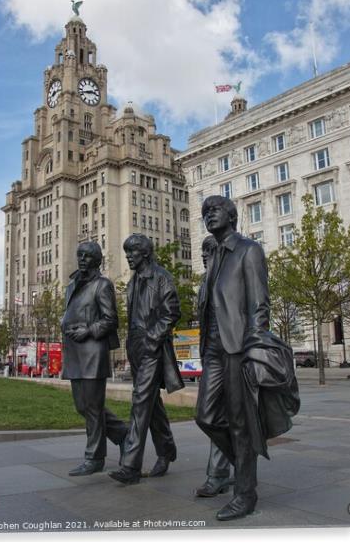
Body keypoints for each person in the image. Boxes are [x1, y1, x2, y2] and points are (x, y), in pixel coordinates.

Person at [196, 195, 299, 521]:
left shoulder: (247, 251)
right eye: (204, 212)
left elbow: (259, 305)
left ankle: (245, 492)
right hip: (212, 348)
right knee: (206, 416)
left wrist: (255, 348)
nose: (208, 215)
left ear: (231, 214)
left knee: (241, 423)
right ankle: (241, 468)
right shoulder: (213, 257)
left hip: (238, 347)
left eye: (214, 210)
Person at [109, 234, 184, 485]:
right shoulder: (132, 284)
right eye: (127, 252)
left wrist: (152, 339)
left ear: (145, 253)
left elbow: (172, 311)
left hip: (153, 347)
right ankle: (167, 449)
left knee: (140, 402)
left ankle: (130, 466)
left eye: (133, 252)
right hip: (136, 348)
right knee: (151, 404)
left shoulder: (161, 277)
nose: (129, 256)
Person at [61, 241, 127, 476]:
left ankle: (94, 457)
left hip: (92, 352)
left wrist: (88, 330)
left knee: (92, 407)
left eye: (87, 256)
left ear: (97, 260)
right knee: (83, 406)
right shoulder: (71, 285)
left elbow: (111, 320)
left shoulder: (103, 285)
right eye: (79, 255)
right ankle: (123, 434)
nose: (82, 259)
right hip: (74, 352)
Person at [195, 235, 234, 498]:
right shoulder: (203, 283)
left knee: (234, 415)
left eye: (209, 251)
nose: (204, 256)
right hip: (211, 353)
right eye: (203, 251)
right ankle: (240, 458)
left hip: (234, 352)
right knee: (206, 415)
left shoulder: (233, 275)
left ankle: (218, 474)